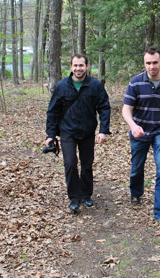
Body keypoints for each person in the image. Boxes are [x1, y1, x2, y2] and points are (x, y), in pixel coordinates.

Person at [122, 46, 160, 228]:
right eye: (148, 63)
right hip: (139, 131)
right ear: (144, 63)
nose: (152, 66)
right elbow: (126, 109)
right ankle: (136, 192)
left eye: (155, 62)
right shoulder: (136, 82)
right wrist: (133, 126)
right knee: (137, 168)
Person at [45, 54, 111, 214]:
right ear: (71, 67)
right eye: (75, 65)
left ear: (87, 67)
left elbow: (104, 108)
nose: (78, 68)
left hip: (88, 131)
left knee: (87, 164)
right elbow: (52, 111)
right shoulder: (62, 86)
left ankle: (86, 194)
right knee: (70, 163)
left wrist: (103, 130)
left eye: (81, 65)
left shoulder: (95, 86)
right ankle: (74, 197)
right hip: (67, 132)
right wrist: (50, 135)